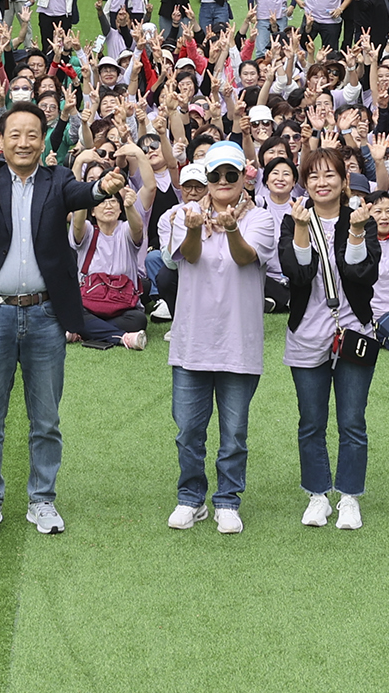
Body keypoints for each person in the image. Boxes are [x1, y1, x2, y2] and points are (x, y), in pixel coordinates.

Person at [0, 102, 128, 537]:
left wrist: (103, 188)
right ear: (0, 141)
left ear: (43, 141)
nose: (23, 142)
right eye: (15, 134)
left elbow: (82, 194)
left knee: (45, 419)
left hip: (45, 315)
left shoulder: (57, 179)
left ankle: (42, 499)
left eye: (32, 135)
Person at [158, 140, 276, 534]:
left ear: (244, 177)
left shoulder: (260, 219)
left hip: (238, 343)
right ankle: (191, 498)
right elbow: (188, 256)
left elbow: (245, 257)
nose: (223, 180)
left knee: (234, 434)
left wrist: (230, 229)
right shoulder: (183, 214)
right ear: (206, 178)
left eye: (231, 174)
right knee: (188, 431)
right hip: (192, 342)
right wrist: (195, 229)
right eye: (216, 174)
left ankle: (227, 500)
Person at [276, 147, 381, 530]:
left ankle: (349, 497)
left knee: (352, 421)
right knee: (311, 421)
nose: (322, 183)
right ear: (305, 182)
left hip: (352, 332)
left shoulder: (361, 217)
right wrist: (302, 229)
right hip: (307, 335)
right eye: (314, 176)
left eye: (329, 175)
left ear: (344, 179)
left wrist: (356, 230)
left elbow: (361, 273)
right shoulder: (293, 220)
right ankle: (318, 494)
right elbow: (298, 275)